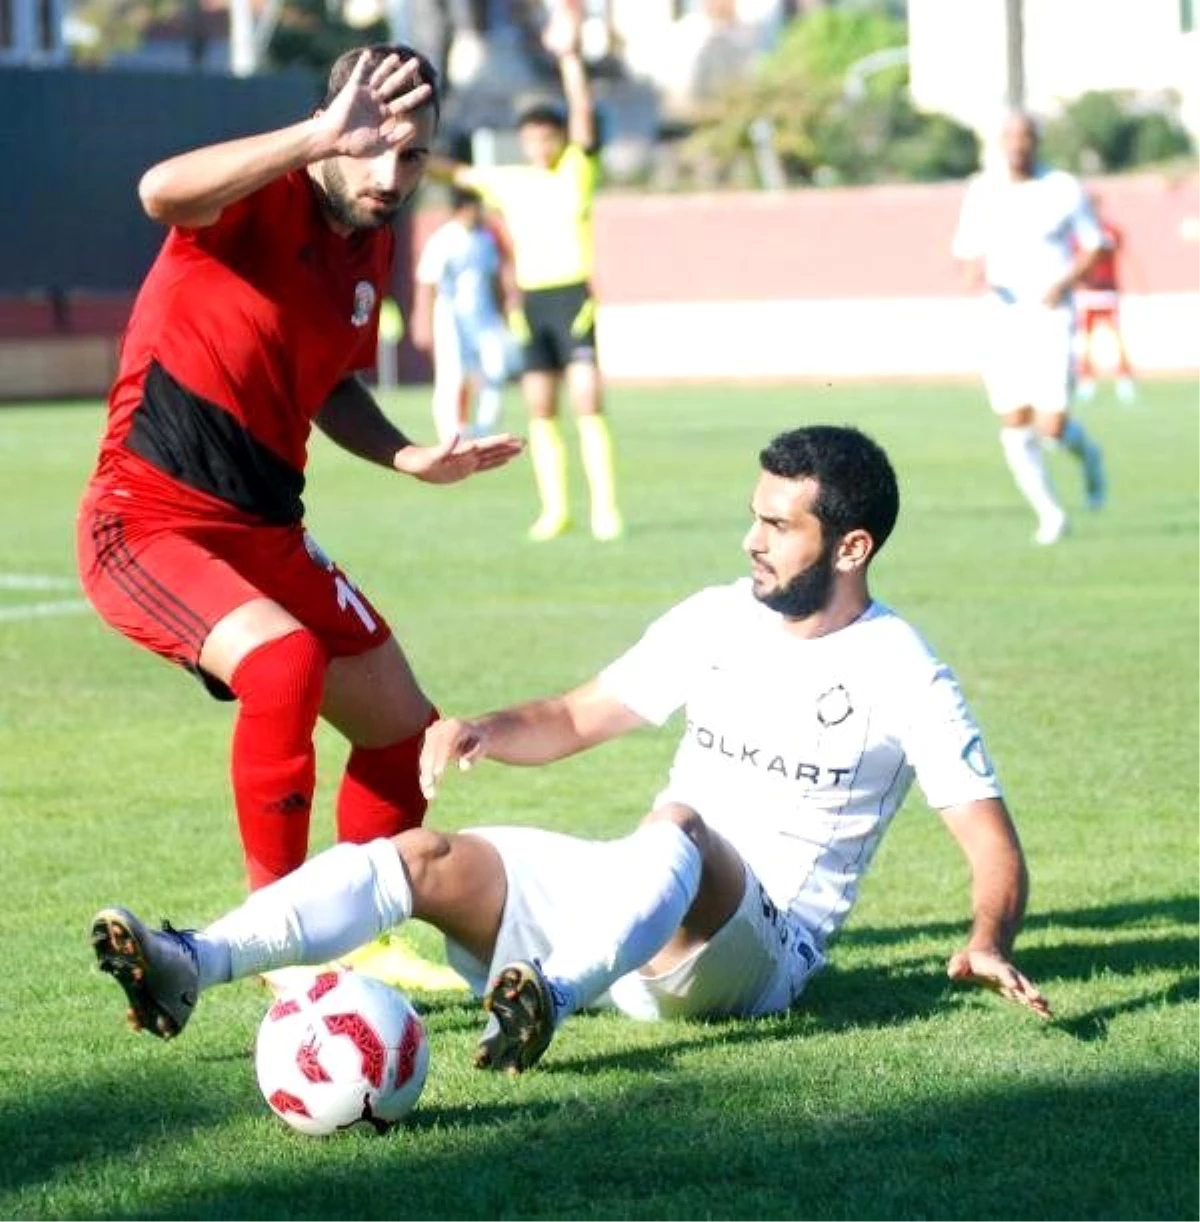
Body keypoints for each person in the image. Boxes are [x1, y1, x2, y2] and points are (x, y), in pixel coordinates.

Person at [92, 425, 1051, 1074]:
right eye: (753, 516)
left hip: (760, 954)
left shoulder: (902, 668)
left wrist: (984, 943)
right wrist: (482, 730)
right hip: (637, 902)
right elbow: (579, 714)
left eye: (777, 525)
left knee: (679, 821)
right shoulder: (718, 615)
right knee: (419, 858)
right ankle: (196, 960)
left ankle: (547, 995)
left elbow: (992, 847)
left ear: (850, 548)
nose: (750, 540)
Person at [76, 45, 525, 893]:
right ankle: (275, 934)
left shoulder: (372, 245)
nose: (390, 174)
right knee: (285, 665)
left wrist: (408, 454)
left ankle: (352, 926)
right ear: (334, 126)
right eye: (370, 143)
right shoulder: (256, 193)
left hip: (268, 531)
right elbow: (158, 191)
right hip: (144, 519)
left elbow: (335, 385)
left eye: (414, 154)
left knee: (403, 735)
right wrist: (315, 138)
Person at [429, 6, 622, 542]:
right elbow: (456, 171)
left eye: (547, 134)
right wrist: (406, 145)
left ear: (558, 138)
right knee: (540, 406)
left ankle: (605, 509)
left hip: (571, 296)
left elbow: (583, 113)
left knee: (587, 399)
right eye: (532, 136)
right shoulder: (510, 182)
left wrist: (570, 59)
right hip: (531, 303)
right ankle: (554, 509)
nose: (540, 143)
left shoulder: (576, 171)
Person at [952, 110, 1108, 546]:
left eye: (1026, 136)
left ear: (1036, 141)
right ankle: (1051, 514)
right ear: (1000, 143)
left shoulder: (1061, 188)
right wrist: (974, 276)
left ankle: (1090, 457)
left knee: (1052, 427)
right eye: (1010, 137)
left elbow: (1095, 246)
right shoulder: (982, 190)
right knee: (1015, 421)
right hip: (1002, 317)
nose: (1018, 144)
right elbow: (967, 252)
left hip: (1051, 315)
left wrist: (1063, 283)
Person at [413, 186, 516, 442]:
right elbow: (427, 283)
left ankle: (483, 429)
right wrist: (423, 322)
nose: (478, 213)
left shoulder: (485, 239)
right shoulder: (443, 240)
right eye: (474, 207)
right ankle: (450, 434)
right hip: (450, 315)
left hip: (485, 315)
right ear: (461, 210)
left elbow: (493, 279)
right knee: (452, 374)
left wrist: (503, 314)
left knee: (495, 368)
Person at [1074, 194, 1136, 405]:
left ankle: (1124, 379)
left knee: (1116, 338)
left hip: (1108, 291)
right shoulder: (1077, 234)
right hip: (1087, 292)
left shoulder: (1110, 231)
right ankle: (1086, 380)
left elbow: (1110, 250)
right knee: (1085, 340)